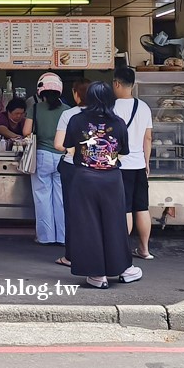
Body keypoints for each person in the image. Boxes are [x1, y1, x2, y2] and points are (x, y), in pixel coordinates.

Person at [58, 81, 142, 289]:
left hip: (84, 178)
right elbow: (123, 152)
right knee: (115, 224)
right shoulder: (119, 122)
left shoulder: (76, 120)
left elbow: (68, 146)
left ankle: (97, 275)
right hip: (112, 180)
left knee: (88, 225)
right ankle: (123, 268)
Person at [22, 72, 71, 246]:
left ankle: (45, 237)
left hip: (41, 156)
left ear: (40, 91)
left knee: (42, 197)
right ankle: (63, 237)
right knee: (61, 198)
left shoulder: (34, 108)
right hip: (62, 157)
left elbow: (26, 132)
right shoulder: (67, 110)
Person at [112, 67, 155, 260]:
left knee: (125, 208)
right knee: (142, 208)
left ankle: (122, 250)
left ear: (117, 83)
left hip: (121, 166)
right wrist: (146, 163)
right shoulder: (143, 107)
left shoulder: (112, 108)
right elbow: (148, 138)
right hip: (139, 165)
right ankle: (144, 249)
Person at [53, 78, 92, 267]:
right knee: (93, 212)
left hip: (72, 168)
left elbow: (58, 144)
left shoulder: (68, 114)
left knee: (72, 211)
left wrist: (72, 150)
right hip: (96, 168)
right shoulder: (102, 113)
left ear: (76, 95)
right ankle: (93, 253)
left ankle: (71, 256)